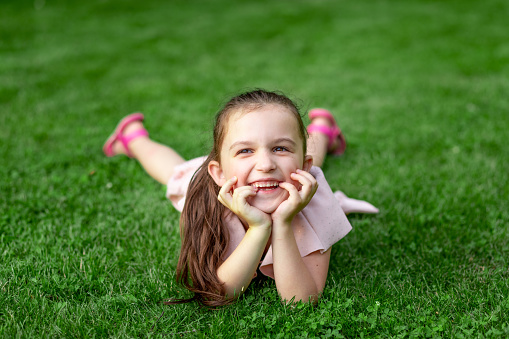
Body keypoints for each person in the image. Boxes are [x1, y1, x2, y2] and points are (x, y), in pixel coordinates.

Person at [103, 89, 378, 307]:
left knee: (304, 161)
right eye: (246, 150)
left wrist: (282, 222)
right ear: (219, 172)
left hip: (280, 174)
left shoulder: (310, 191)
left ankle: (321, 130)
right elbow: (220, 293)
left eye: (279, 148)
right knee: (173, 173)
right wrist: (259, 229)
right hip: (227, 186)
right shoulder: (208, 200)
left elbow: (301, 301)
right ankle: (133, 137)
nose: (265, 163)